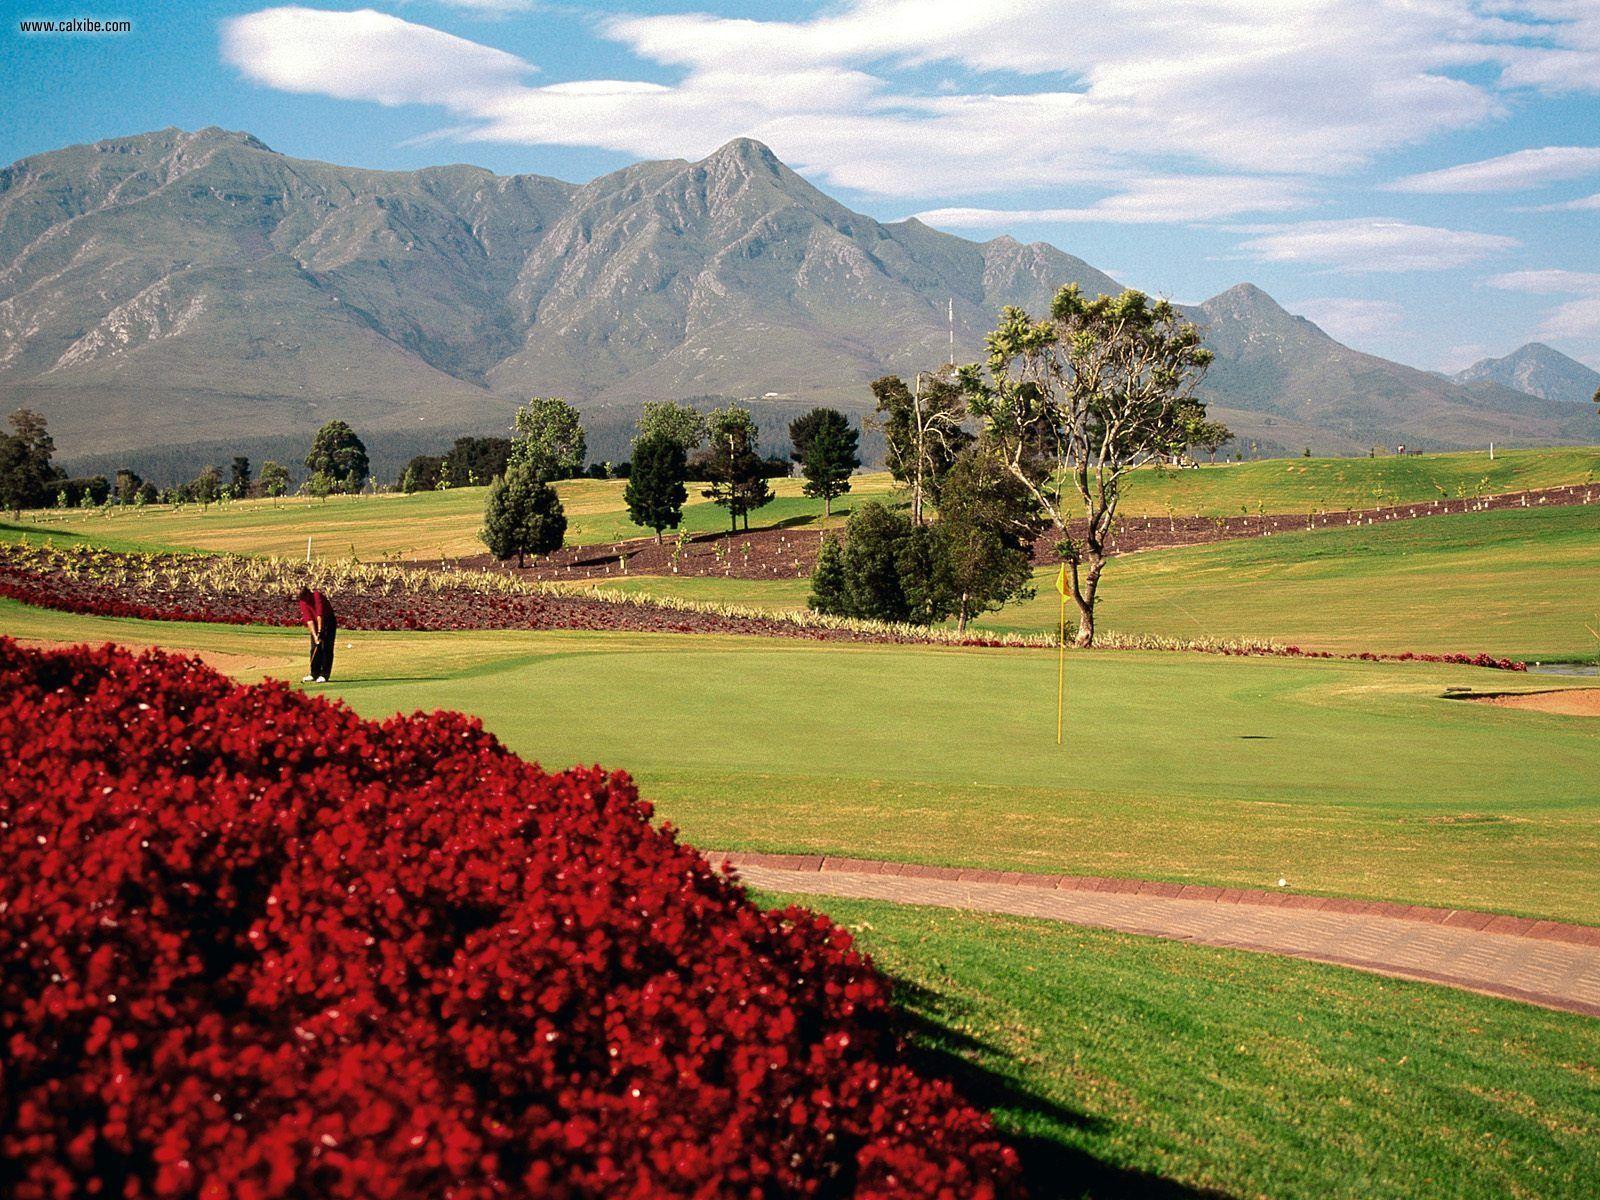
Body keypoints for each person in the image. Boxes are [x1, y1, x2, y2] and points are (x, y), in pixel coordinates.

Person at [296, 585, 337, 683]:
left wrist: (320, 631)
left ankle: (324, 675)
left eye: (303, 597)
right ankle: (314, 673)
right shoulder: (303, 602)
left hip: (328, 621)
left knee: (326, 648)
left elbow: (320, 615)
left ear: (308, 594)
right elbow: (309, 620)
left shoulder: (316, 596)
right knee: (314, 647)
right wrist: (315, 636)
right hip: (315, 622)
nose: (303, 600)